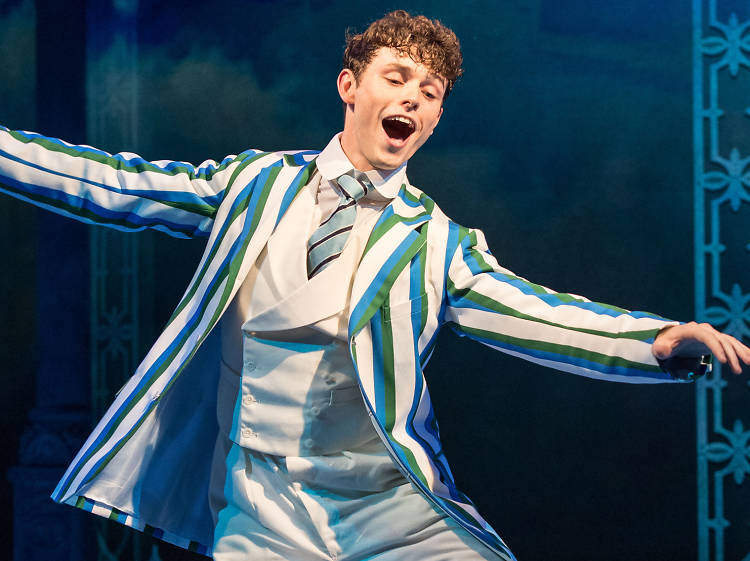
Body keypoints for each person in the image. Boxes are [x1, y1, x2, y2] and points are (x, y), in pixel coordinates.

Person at [0, 9, 748, 561]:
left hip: (392, 508)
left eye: (432, 91)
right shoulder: (256, 184)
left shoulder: (435, 240)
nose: (415, 98)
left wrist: (653, 340)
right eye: (399, 78)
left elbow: (534, 312)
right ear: (350, 86)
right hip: (265, 507)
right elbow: (115, 183)